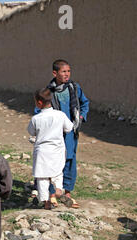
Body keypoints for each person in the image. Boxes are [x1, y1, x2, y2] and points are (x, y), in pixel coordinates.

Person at [35, 59, 89, 208]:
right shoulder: (48, 91)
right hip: (54, 135)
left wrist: (81, 117)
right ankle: (52, 194)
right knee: (53, 161)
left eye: (69, 71)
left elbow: (84, 103)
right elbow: (39, 111)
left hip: (71, 133)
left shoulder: (74, 88)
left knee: (70, 160)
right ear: (55, 73)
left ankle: (67, 192)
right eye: (63, 71)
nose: (67, 74)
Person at [28, 89, 74, 210]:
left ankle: (46, 202)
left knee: (42, 177)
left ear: (39, 103)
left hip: (42, 151)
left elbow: (31, 131)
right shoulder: (60, 115)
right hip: (57, 150)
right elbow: (69, 128)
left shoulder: (36, 118)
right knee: (58, 172)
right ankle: (59, 190)